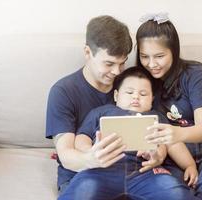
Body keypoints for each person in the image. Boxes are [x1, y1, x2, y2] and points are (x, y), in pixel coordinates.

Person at [135, 13, 202, 200]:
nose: (151, 64)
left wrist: (176, 133)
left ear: (173, 51)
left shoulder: (194, 75)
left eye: (159, 56)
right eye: (144, 56)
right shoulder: (142, 84)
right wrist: (158, 152)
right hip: (174, 156)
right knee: (173, 193)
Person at [58, 66, 198, 200]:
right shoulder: (102, 112)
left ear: (152, 99)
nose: (136, 97)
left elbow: (173, 143)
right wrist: (90, 152)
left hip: (145, 171)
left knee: (177, 194)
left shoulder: (157, 117)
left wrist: (189, 165)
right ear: (116, 95)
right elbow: (83, 136)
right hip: (101, 169)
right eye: (129, 92)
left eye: (143, 94)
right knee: (82, 191)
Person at [46, 15, 134, 195]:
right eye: (109, 63)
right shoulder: (63, 92)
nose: (116, 72)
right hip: (83, 173)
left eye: (122, 63)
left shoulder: (130, 86)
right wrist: (92, 159)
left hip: (129, 172)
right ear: (87, 52)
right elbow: (67, 155)